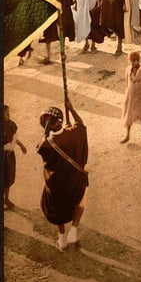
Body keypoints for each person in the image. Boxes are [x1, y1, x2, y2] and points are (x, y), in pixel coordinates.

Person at [37, 99, 88, 250]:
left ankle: (62, 239)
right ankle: (73, 232)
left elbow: (41, 146)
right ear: (61, 121)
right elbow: (81, 124)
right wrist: (71, 109)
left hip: (57, 184)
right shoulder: (75, 133)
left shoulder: (45, 144)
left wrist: (49, 134)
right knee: (80, 201)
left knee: (57, 208)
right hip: (76, 180)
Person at [39, 0, 76, 65]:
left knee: (62, 32)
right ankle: (48, 56)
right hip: (51, 12)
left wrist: (62, 9)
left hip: (61, 12)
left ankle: (62, 53)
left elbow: (68, 0)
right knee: (48, 33)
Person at [120, 51, 141, 143]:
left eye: (135, 61)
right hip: (131, 94)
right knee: (129, 113)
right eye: (131, 61)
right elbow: (127, 82)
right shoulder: (128, 69)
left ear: (138, 60)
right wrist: (127, 93)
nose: (133, 62)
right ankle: (127, 135)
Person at [4, 104, 27, 210]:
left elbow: (14, 138)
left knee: (8, 178)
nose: (8, 114)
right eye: (6, 113)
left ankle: (6, 199)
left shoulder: (11, 124)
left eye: (8, 112)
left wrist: (21, 145)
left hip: (9, 156)